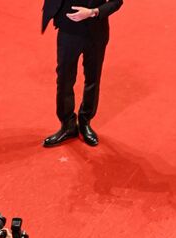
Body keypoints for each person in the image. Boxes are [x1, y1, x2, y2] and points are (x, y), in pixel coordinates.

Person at [40, 0, 123, 147]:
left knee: (93, 78)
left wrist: (93, 12)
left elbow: (117, 1)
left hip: (96, 32)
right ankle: (68, 125)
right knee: (64, 79)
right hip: (68, 32)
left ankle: (85, 122)